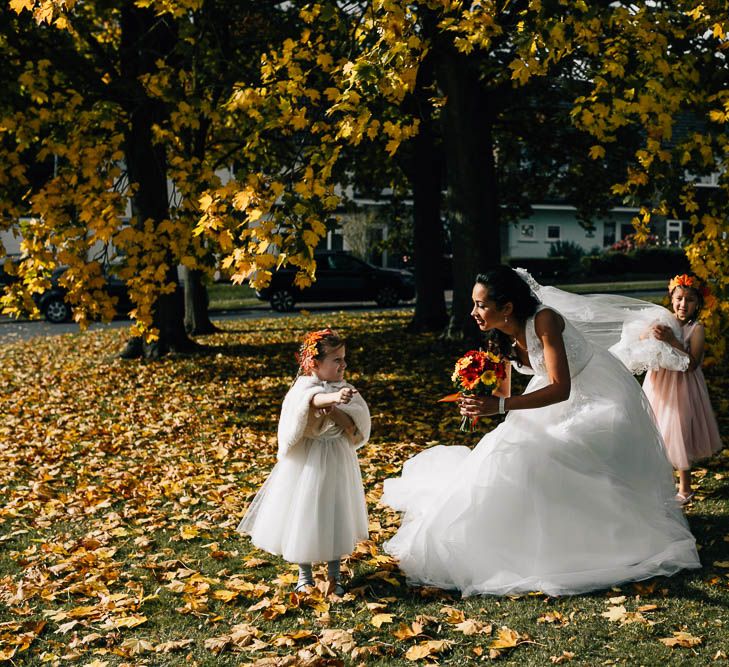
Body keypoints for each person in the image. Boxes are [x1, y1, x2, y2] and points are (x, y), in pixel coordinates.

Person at [381, 266, 700, 597]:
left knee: (548, 451)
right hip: (545, 393)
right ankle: (504, 537)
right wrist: (479, 398)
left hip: (594, 394)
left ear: (507, 307)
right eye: (474, 304)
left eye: (480, 305)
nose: (473, 312)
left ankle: (584, 540)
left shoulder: (544, 320)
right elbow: (502, 388)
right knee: (502, 449)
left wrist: (502, 407)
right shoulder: (498, 329)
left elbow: (562, 388)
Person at [237, 328, 370, 596]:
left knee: (336, 509)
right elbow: (309, 401)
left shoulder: (345, 388)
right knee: (305, 511)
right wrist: (332, 400)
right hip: (309, 459)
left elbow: (356, 419)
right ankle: (304, 574)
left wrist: (339, 406)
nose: (343, 364)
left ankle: (334, 574)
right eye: (336, 360)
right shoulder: (304, 388)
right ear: (315, 364)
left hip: (336, 456)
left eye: (344, 358)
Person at [641, 274, 722, 505]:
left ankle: (685, 489)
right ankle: (659, 482)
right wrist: (649, 334)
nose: (683, 304)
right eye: (679, 299)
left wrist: (673, 342)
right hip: (659, 385)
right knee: (657, 430)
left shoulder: (696, 329)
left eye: (690, 300)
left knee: (680, 433)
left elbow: (692, 363)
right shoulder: (663, 321)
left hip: (683, 387)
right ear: (671, 299)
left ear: (698, 304)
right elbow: (642, 339)